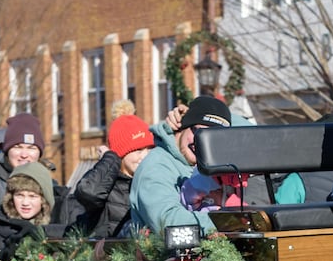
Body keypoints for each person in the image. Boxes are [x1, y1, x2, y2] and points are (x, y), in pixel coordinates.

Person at [129, 97, 243, 235]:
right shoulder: (156, 166)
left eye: (213, 137)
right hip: (169, 256)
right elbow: (168, 222)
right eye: (198, 132)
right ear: (184, 126)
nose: (202, 143)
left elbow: (250, 130)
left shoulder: (211, 165)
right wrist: (229, 221)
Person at [0, 162, 68, 261]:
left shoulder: (61, 218)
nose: (25, 203)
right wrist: (1, 255)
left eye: (32, 196)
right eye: (19, 195)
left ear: (43, 199)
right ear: (11, 198)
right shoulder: (2, 224)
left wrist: (40, 232)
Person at [72, 115, 157, 238]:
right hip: (109, 254)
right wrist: (111, 158)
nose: (144, 156)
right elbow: (87, 192)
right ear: (122, 154)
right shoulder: (107, 185)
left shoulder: (154, 180)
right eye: (138, 150)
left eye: (149, 149)